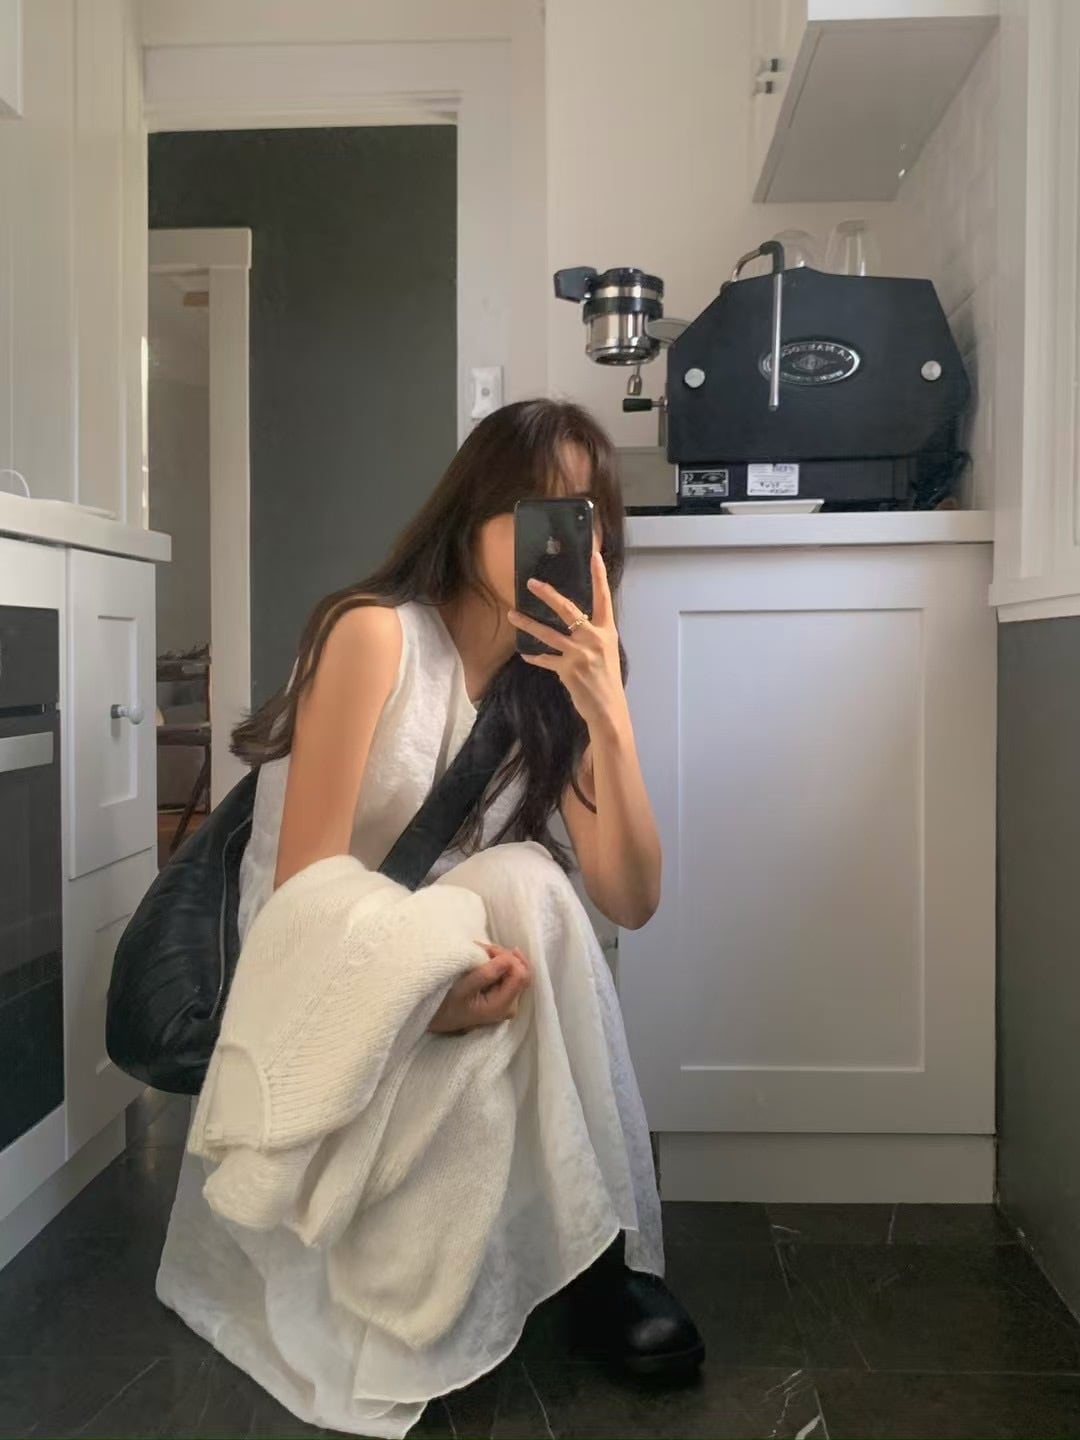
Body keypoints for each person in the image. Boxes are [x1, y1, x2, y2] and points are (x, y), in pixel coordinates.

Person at [156, 398, 703, 1437]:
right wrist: (419, 997)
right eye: (534, 507)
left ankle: (602, 1261)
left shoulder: (558, 685)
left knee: (533, 882)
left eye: (583, 515)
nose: (559, 536)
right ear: (473, 510)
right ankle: (548, 1268)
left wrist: (608, 709)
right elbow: (305, 893)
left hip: (456, 953)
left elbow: (632, 899)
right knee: (513, 888)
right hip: (329, 973)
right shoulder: (373, 635)